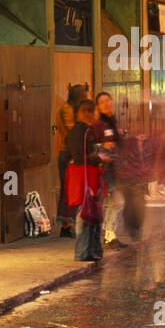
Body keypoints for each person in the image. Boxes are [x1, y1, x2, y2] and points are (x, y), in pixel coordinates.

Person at [66, 98, 104, 262]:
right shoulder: (85, 132)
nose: (91, 114)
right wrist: (100, 156)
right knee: (86, 213)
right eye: (88, 111)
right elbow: (85, 156)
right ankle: (83, 252)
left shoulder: (76, 132)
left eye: (92, 110)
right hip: (87, 176)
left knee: (88, 212)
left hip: (82, 176)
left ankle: (89, 250)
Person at [55, 84, 86, 238]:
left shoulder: (68, 109)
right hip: (69, 154)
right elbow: (72, 132)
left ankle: (69, 223)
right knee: (68, 190)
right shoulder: (67, 110)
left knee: (71, 190)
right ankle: (66, 225)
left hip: (71, 153)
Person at [94, 91, 123, 247]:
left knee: (116, 200)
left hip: (116, 166)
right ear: (98, 106)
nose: (106, 104)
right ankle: (109, 234)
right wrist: (102, 147)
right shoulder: (98, 125)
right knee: (113, 200)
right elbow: (91, 145)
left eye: (108, 100)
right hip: (105, 168)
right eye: (102, 102)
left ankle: (110, 233)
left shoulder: (114, 122)